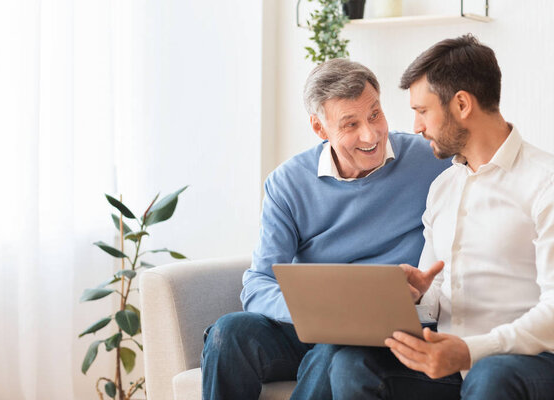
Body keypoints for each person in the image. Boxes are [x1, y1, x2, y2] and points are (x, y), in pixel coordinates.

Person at [200, 58, 451, 399]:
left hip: (384, 333)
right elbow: (258, 283)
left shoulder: (430, 159)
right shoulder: (288, 183)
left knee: (336, 351)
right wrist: (316, 315)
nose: (371, 133)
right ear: (320, 128)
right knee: (227, 333)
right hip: (310, 327)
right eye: (350, 124)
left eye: (375, 114)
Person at [327, 34, 554, 399]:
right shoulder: (443, 187)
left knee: (491, 374)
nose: (416, 127)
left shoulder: (545, 184)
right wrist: (416, 294)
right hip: (451, 360)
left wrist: (471, 350)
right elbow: (436, 294)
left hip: (530, 360)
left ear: (462, 104)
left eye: (422, 111)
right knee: (351, 362)